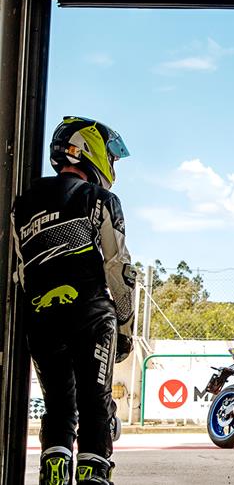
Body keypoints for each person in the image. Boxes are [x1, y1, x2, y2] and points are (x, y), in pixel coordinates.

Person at [11, 117, 136, 484]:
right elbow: (120, 269)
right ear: (89, 151)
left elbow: (20, 273)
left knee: (58, 409)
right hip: (91, 315)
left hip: (40, 318)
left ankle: (53, 472)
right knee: (95, 407)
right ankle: (94, 474)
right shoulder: (100, 199)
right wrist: (125, 327)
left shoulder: (22, 203)